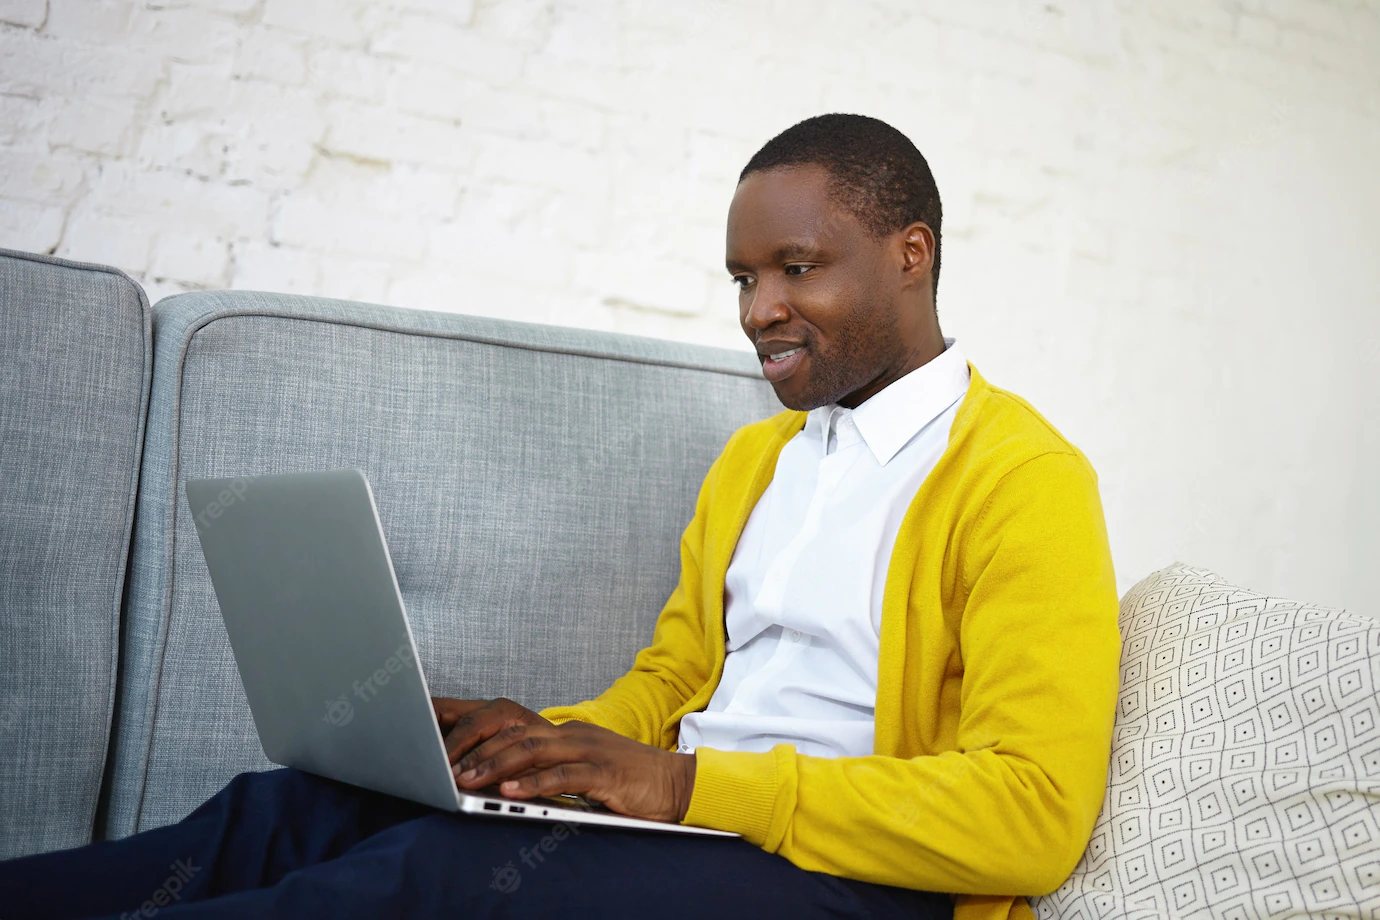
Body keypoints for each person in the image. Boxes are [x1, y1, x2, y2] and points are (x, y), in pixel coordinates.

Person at [0, 114, 1120, 920]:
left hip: (849, 876)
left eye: (795, 267)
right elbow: (672, 681)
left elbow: (1033, 810)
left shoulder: (1023, 477)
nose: (758, 310)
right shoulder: (758, 459)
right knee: (295, 806)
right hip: (695, 825)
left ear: (910, 254)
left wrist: (683, 787)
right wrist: (534, 746)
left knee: (429, 879)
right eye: (741, 278)